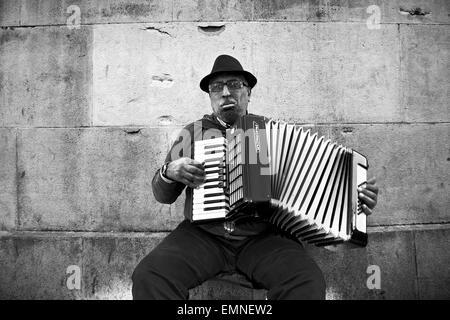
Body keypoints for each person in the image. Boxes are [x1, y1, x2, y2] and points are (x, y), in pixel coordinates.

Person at [131, 55, 379, 300]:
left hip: (263, 237)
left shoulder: (271, 132)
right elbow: (162, 195)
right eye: (217, 88)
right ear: (210, 97)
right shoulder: (192, 133)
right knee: (150, 275)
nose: (226, 93)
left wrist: (351, 198)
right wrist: (169, 172)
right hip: (205, 236)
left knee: (306, 281)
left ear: (248, 92)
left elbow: (315, 184)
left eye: (235, 85)